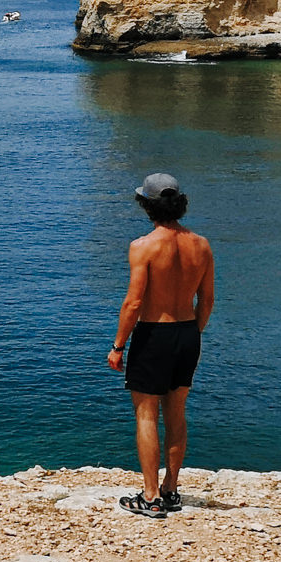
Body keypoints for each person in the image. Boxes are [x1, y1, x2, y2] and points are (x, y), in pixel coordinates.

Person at [107, 172, 214, 518]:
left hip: (154, 334)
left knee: (146, 414)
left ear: (147, 205)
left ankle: (151, 497)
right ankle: (170, 489)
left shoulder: (143, 246)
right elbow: (207, 300)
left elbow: (133, 303)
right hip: (187, 333)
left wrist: (118, 346)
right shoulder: (201, 245)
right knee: (177, 412)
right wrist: (193, 332)